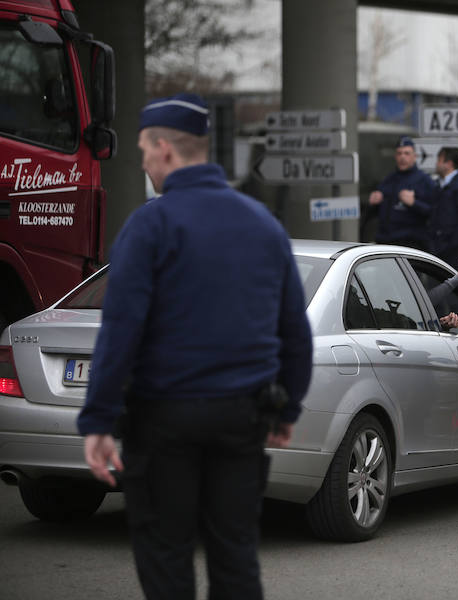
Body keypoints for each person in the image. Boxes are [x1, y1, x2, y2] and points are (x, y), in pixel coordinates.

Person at [77, 93, 313, 600]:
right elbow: (295, 332)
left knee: (166, 559)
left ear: (164, 149)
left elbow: (120, 332)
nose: (141, 162)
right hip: (243, 420)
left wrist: (97, 419)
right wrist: (288, 407)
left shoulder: (150, 225)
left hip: (164, 422)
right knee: (235, 559)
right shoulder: (264, 226)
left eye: (142, 151)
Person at [368, 135, 437, 250]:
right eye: (399, 153)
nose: (402, 157)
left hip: (411, 245)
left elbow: (434, 213)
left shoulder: (424, 181)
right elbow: (374, 214)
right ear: (395, 156)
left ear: (415, 157)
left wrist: (414, 203)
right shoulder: (388, 180)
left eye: (406, 153)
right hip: (385, 243)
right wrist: (373, 203)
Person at [429, 146, 458, 268]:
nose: (436, 164)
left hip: (455, 253)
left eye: (439, 160)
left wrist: (452, 245)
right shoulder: (438, 185)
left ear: (448, 163)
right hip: (438, 250)